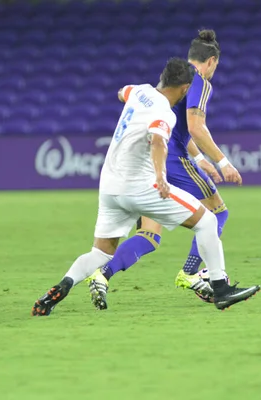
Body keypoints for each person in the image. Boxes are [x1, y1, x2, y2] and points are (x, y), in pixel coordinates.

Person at [31, 57, 260, 316]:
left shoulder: (139, 91)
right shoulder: (164, 112)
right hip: (139, 188)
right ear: (185, 89)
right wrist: (161, 176)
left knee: (101, 253)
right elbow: (158, 142)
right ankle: (220, 288)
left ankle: (61, 287)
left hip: (109, 188)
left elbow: (122, 92)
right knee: (207, 220)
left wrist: (127, 97)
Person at [86, 29, 243, 308]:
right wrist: (223, 162)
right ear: (212, 61)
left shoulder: (173, 82)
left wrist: (198, 159)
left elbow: (175, 126)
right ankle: (192, 273)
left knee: (149, 234)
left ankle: (102, 274)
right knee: (218, 212)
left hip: (149, 162)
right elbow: (195, 127)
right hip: (172, 159)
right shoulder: (201, 82)